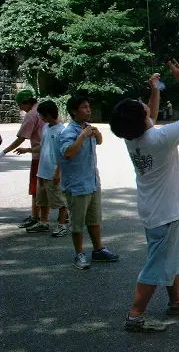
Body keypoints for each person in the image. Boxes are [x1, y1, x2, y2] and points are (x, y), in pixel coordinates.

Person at [110, 61, 179, 333]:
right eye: (140, 104)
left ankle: (176, 301)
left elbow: (148, 117)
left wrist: (154, 92)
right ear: (142, 119)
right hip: (166, 213)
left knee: (168, 257)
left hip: (154, 211)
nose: (143, 104)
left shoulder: (133, 138)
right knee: (156, 265)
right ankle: (135, 315)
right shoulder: (161, 138)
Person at [59, 94, 118, 270]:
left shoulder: (88, 128)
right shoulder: (68, 132)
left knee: (94, 219)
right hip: (76, 185)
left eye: (88, 106)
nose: (88, 110)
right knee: (77, 222)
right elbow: (68, 153)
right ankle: (79, 254)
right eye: (84, 107)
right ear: (73, 111)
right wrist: (82, 136)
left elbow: (99, 142)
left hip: (92, 181)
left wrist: (97, 134)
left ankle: (98, 249)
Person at [15, 100, 69, 236]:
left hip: (53, 171)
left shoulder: (62, 131)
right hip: (42, 171)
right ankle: (43, 223)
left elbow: (64, 154)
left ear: (50, 114)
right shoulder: (45, 127)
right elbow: (43, 146)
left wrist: (59, 172)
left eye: (42, 115)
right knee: (42, 200)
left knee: (60, 201)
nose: (40, 118)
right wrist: (28, 149)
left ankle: (62, 225)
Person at [0, 89, 46, 228]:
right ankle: (64, 215)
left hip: (39, 154)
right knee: (52, 185)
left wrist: (4, 151)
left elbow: (22, 137)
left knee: (36, 187)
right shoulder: (43, 108)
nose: (20, 108)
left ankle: (35, 216)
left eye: (20, 105)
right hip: (52, 154)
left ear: (27, 102)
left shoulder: (32, 114)